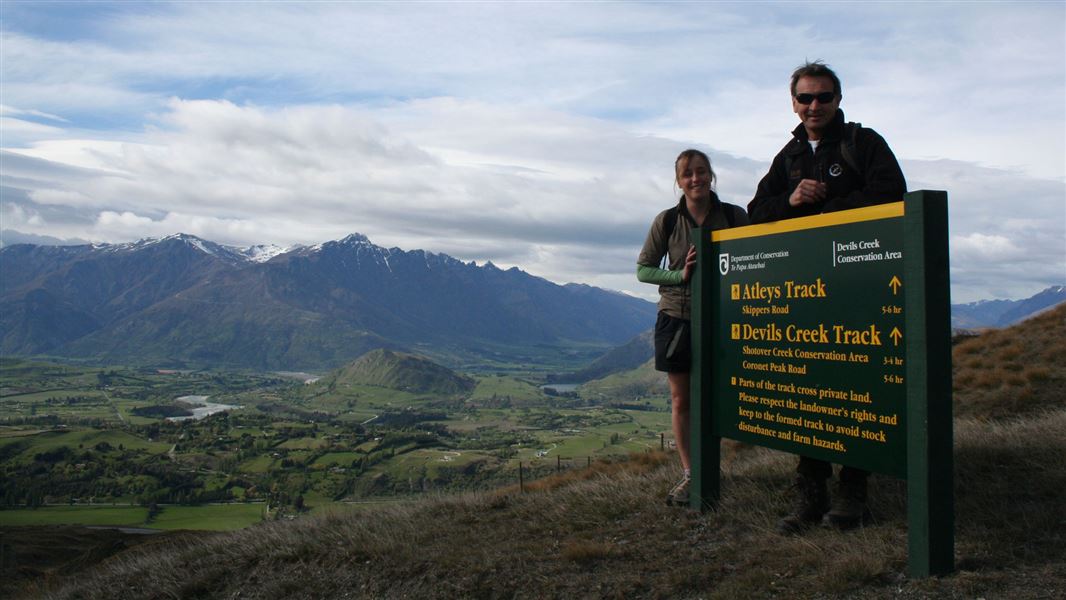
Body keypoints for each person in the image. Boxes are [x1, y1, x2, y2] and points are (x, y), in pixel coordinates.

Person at [748, 61, 906, 533]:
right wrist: (791, 201)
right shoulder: (789, 156)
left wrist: (827, 206)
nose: (813, 106)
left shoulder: (863, 143)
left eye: (823, 97)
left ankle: (853, 493)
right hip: (807, 291)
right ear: (793, 103)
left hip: (860, 286)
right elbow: (757, 213)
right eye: (804, 98)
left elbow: (892, 194)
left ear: (838, 100)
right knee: (811, 389)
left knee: (855, 388)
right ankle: (810, 494)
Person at [638, 148, 748, 506]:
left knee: (720, 397)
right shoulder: (667, 221)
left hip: (724, 320)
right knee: (682, 400)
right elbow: (643, 270)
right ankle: (691, 474)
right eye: (688, 174)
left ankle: (713, 468)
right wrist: (679, 275)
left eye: (701, 172)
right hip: (676, 319)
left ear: (711, 175)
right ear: (679, 181)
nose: (696, 179)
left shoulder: (734, 216)